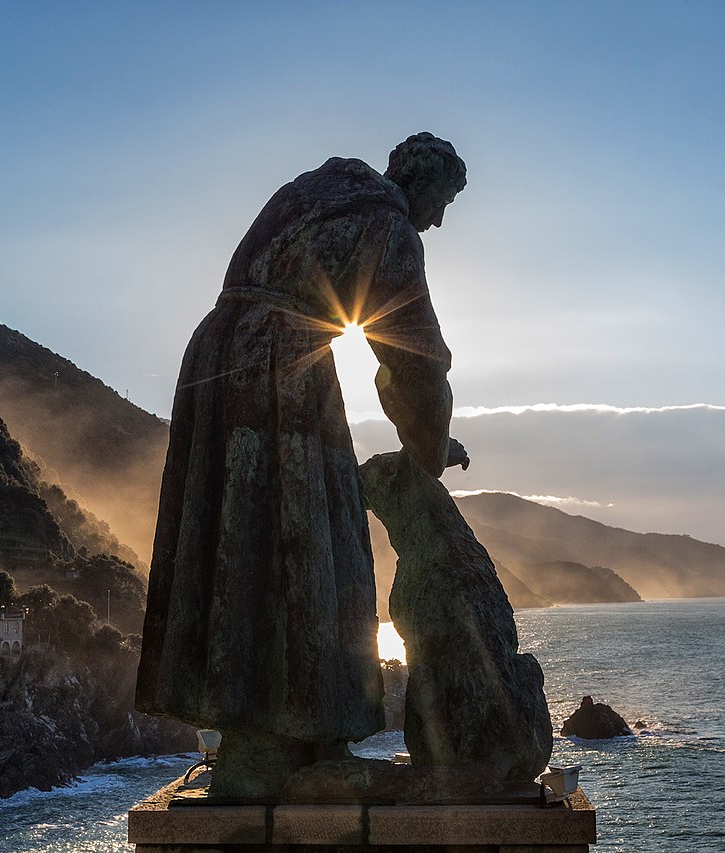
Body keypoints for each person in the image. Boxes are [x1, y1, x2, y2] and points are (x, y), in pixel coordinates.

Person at [136, 133, 468, 798]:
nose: (438, 219)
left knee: (245, 536)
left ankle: (293, 731)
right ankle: (275, 739)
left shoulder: (323, 189)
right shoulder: (390, 227)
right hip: (277, 365)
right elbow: (414, 352)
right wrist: (432, 445)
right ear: (420, 184)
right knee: (311, 537)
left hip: (217, 352)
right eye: (442, 201)